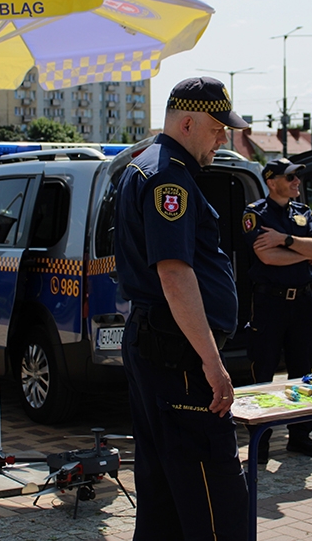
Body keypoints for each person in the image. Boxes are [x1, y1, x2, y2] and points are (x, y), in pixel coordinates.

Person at [114, 76, 250, 540]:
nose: (221, 140)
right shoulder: (168, 178)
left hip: (160, 347)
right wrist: (214, 365)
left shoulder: (146, 166)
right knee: (216, 503)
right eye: (216, 130)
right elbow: (175, 275)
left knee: (164, 496)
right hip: (180, 357)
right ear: (188, 122)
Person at [241, 157, 312, 463]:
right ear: (271, 181)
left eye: (296, 178)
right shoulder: (255, 213)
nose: (296, 183)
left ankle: (300, 436)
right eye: (290, 178)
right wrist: (302, 252)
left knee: (303, 371)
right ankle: (261, 442)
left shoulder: (303, 212)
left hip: (302, 303)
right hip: (270, 303)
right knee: (262, 373)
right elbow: (267, 258)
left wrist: (286, 240)